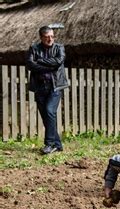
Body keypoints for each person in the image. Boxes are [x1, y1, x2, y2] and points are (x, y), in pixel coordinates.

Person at [26, 26, 68, 154]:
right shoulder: (34, 49)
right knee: (46, 117)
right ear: (41, 38)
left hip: (54, 86)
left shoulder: (59, 48)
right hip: (40, 87)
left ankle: (49, 144)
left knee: (50, 111)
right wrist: (48, 66)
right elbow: (30, 64)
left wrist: (40, 62)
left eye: (52, 36)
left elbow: (59, 61)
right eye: (47, 37)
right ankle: (58, 145)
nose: (50, 39)